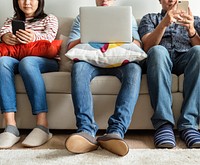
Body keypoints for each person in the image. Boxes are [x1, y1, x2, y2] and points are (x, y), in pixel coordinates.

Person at [65, 0, 142, 157]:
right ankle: (85, 131)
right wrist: (88, 34)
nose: (104, 0)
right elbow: (70, 47)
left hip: (120, 60)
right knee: (78, 67)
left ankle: (116, 132)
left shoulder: (127, 16)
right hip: (90, 61)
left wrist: (120, 34)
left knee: (134, 69)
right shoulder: (82, 17)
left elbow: (138, 45)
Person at [139, 0, 200, 149]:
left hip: (186, 60)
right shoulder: (150, 18)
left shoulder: (196, 20)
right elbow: (147, 47)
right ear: (160, 0)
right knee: (158, 51)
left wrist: (191, 30)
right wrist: (164, 24)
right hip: (160, 61)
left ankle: (189, 125)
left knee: (199, 52)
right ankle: (164, 125)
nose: (172, 0)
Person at [0, 0, 59, 148]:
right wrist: (5, 38)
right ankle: (11, 127)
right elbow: (3, 33)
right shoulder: (11, 21)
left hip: (44, 61)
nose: (27, 2)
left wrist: (33, 37)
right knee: (2, 62)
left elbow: (50, 37)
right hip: (17, 59)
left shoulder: (49, 18)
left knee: (27, 62)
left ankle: (42, 126)